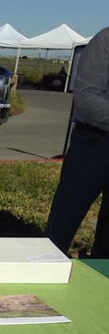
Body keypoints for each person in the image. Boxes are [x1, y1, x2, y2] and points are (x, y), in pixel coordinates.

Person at [45, 26, 109, 258]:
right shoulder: (105, 40)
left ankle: (100, 281)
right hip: (93, 144)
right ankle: (46, 268)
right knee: (63, 223)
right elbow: (86, 96)